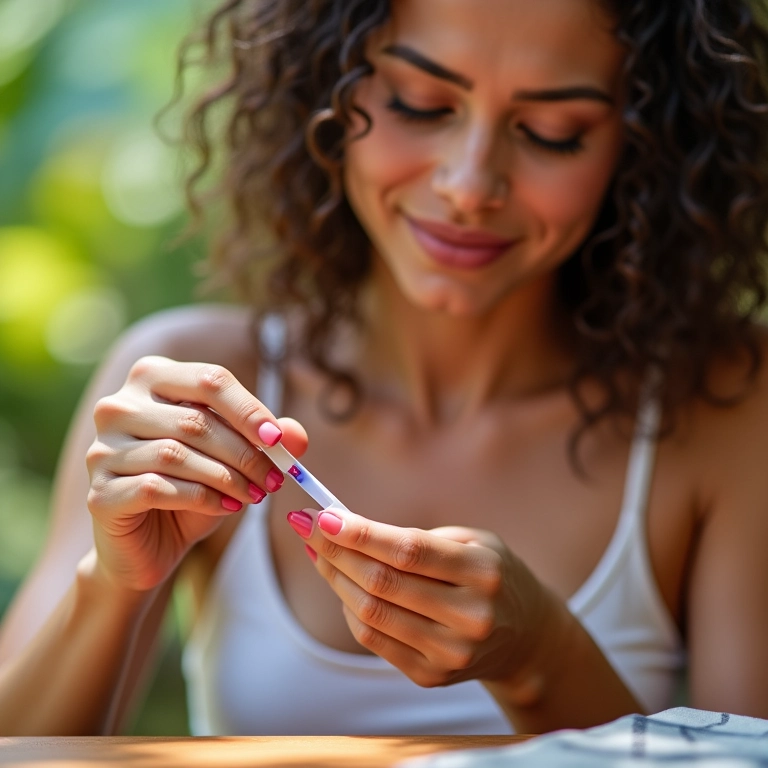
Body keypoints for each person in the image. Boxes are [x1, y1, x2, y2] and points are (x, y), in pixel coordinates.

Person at [1, 0, 768, 737]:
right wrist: (113, 587)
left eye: (551, 131)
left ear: (646, 142)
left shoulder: (724, 407)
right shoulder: (195, 385)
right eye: (419, 104)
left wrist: (541, 658)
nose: (468, 186)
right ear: (327, 89)